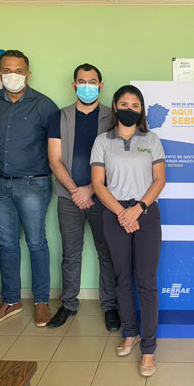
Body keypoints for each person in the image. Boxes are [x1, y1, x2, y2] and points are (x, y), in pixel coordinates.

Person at [0, 50, 59, 328]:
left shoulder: (45, 105)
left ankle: (41, 302)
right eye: (7, 70)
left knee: (36, 243)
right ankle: (11, 300)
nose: (13, 75)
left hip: (33, 184)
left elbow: (56, 149)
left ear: (28, 73)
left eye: (19, 70)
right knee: (7, 245)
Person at [91, 84, 165, 377]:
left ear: (141, 110)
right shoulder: (102, 141)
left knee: (146, 282)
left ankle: (148, 348)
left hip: (146, 212)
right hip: (114, 213)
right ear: (115, 106)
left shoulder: (151, 139)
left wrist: (138, 209)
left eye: (135, 105)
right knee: (122, 279)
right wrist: (122, 213)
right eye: (124, 104)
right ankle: (130, 333)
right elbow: (98, 184)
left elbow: (159, 180)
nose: (129, 109)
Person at [47, 63, 120, 331]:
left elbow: (116, 160)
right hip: (69, 198)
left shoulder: (112, 117)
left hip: (103, 197)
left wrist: (90, 188)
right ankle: (68, 304)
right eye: (81, 81)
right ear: (74, 85)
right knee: (70, 254)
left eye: (92, 82)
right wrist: (75, 191)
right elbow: (54, 160)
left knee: (107, 253)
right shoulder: (60, 117)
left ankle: (110, 306)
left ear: (100, 86)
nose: (86, 86)